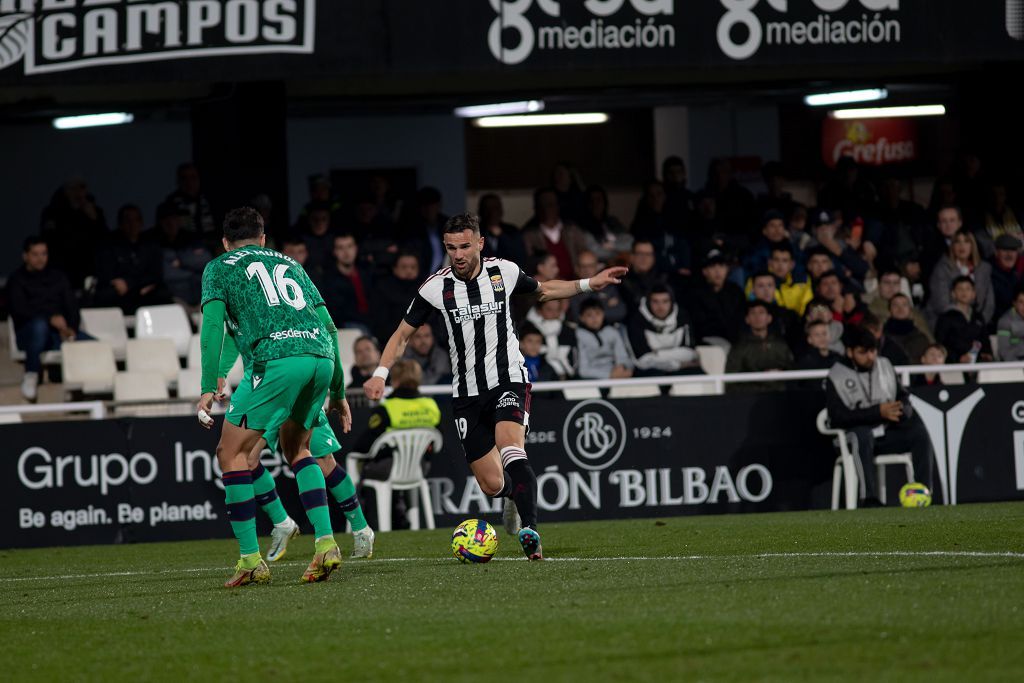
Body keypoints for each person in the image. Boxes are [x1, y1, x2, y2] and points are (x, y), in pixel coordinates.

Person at [363, 212, 628, 560]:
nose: (457, 254)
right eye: (450, 247)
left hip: (509, 379)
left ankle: (531, 530)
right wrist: (380, 374)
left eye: (464, 246)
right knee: (491, 484)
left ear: (480, 244)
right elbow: (401, 336)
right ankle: (510, 499)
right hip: (466, 394)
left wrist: (588, 284)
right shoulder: (434, 287)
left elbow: (544, 290)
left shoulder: (504, 271)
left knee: (510, 445)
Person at [196, 206, 349, 587]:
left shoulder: (219, 266)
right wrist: (339, 389)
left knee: (230, 453)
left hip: (276, 360)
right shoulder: (291, 263)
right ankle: (326, 543)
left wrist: (205, 385)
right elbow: (329, 327)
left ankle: (250, 558)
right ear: (264, 238)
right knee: (298, 449)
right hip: (320, 359)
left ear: (225, 242)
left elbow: (214, 325)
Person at [214, 320, 374, 562]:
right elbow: (233, 336)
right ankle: (284, 523)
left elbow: (327, 327)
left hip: (294, 379)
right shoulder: (244, 298)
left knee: (322, 459)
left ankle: (361, 530)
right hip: (263, 388)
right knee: (244, 456)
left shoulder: (275, 296)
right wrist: (220, 374)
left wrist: (337, 390)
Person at [825, 327, 934, 506]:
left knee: (919, 433)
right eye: (863, 352)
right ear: (850, 352)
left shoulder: (884, 365)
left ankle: (924, 493)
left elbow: (902, 396)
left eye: (873, 351)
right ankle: (868, 498)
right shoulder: (836, 375)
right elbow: (837, 417)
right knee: (862, 435)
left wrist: (902, 409)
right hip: (851, 439)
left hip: (885, 433)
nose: (870, 357)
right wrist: (877, 412)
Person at [350, 359, 442, 529]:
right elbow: (436, 442)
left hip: (389, 470)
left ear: (396, 379)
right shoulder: (431, 405)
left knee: (359, 462)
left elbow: (364, 446)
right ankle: (401, 514)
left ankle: (368, 522)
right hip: (419, 468)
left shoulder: (387, 407)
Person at [6, 237, 92, 401]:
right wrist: (48, 318)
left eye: (44, 254)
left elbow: (72, 306)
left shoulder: (58, 277)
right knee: (39, 326)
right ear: (25, 256)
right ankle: (31, 374)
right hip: (30, 335)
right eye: (35, 254)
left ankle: (93, 385)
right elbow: (19, 310)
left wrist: (70, 328)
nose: (40, 259)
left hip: (58, 333)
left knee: (94, 345)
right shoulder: (17, 280)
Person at [94, 205, 171, 313]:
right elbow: (107, 273)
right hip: (120, 292)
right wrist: (125, 283)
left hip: (143, 290)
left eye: (136, 220)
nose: (132, 224)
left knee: (162, 293)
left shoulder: (150, 245)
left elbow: (155, 274)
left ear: (141, 222)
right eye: (127, 220)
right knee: (105, 294)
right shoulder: (109, 245)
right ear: (120, 224)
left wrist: (131, 283)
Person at [39, 177, 109, 289]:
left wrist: (94, 219)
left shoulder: (95, 211)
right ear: (66, 191)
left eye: (82, 188)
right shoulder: (53, 212)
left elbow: (105, 239)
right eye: (73, 189)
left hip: (90, 267)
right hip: (63, 268)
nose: (78, 193)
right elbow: (49, 240)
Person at [144, 201, 211, 308]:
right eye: (166, 220)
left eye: (174, 218)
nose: (170, 223)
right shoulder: (153, 244)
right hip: (175, 299)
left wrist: (181, 261)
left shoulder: (191, 238)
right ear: (160, 223)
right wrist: (192, 269)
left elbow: (206, 261)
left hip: (201, 296)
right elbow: (167, 274)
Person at [927, 229, 995, 326]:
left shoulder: (984, 269)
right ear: (952, 246)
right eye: (957, 242)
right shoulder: (942, 269)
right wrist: (962, 324)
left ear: (972, 245)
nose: (962, 246)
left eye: (966, 241)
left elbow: (989, 305)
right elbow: (941, 304)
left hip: (977, 323)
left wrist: (978, 323)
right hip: (947, 322)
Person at [627, 284, 699, 375]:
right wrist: (677, 364)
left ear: (671, 302)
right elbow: (643, 360)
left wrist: (657, 354)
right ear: (649, 302)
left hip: (681, 370)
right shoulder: (637, 320)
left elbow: (690, 353)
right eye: (655, 302)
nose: (660, 307)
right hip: (652, 371)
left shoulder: (682, 316)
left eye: (665, 301)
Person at [725, 301, 794, 390]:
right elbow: (731, 381)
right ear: (747, 319)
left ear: (769, 318)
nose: (757, 317)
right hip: (753, 397)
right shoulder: (739, 347)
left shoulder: (780, 344)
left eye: (761, 312)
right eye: (753, 313)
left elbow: (792, 370)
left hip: (781, 394)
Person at [522, 187, 586, 280]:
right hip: (549, 287)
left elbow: (585, 256)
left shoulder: (572, 230)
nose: (547, 208)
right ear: (537, 208)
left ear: (558, 205)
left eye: (551, 204)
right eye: (543, 205)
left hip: (576, 283)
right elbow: (531, 267)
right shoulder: (529, 235)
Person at [687, 249, 746, 344]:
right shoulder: (695, 293)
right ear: (705, 271)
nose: (717, 271)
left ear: (727, 269)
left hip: (735, 342)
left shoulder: (736, 291)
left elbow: (741, 320)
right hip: (705, 342)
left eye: (721, 266)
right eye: (712, 266)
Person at [934, 276, 994, 364]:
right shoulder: (946, 317)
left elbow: (985, 339)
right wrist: (958, 358)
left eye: (968, 289)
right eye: (960, 289)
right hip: (954, 364)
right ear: (953, 294)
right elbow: (940, 344)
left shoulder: (978, 317)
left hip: (978, 362)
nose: (964, 292)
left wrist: (987, 354)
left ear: (974, 294)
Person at [321, 234, 373, 333]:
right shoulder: (329, 279)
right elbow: (337, 314)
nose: (346, 252)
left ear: (356, 248)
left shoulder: (366, 272)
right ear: (334, 252)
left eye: (349, 246)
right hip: (347, 327)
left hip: (371, 322)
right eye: (340, 248)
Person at [576, 298, 633, 380]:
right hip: (592, 377)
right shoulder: (578, 336)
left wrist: (622, 367)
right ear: (581, 318)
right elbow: (583, 370)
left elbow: (623, 356)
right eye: (589, 315)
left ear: (603, 314)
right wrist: (609, 375)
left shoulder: (612, 332)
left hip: (617, 373)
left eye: (598, 314)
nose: (594, 318)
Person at [370, 252, 420, 344]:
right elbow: (380, 324)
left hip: (421, 339)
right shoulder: (383, 289)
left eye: (413, 267)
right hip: (392, 340)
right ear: (395, 269)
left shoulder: (425, 288)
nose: (409, 271)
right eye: (404, 267)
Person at [165, 162, 217, 248]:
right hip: (183, 249)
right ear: (178, 181)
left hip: (210, 247)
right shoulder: (171, 203)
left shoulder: (209, 200)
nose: (189, 182)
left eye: (193, 177)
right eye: (184, 178)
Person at [568, 250, 627, 324]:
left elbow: (620, 312)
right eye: (583, 266)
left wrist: (590, 315)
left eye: (590, 266)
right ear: (577, 269)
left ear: (597, 267)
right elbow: (577, 317)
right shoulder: (572, 290)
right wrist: (605, 307)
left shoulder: (608, 286)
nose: (587, 270)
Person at [525, 299, 577, 378]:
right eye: (549, 309)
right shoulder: (528, 331)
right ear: (539, 311)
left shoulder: (569, 331)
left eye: (558, 309)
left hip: (568, 377)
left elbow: (574, 357)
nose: (554, 313)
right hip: (538, 378)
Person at [579, 185, 632, 262]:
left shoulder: (612, 221)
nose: (595, 204)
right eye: (591, 200)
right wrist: (621, 252)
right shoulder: (582, 227)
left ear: (604, 202)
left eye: (598, 200)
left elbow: (630, 242)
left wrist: (612, 246)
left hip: (622, 263)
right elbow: (596, 252)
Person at [478, 193, 527, 264]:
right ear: (480, 211)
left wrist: (502, 236)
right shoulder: (474, 232)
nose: (492, 212)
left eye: (495, 208)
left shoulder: (512, 231)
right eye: (487, 208)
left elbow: (519, 257)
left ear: (501, 210)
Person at [884, 294, 933, 365]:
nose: (900, 308)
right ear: (889, 309)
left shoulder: (920, 338)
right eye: (895, 305)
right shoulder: (882, 337)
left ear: (910, 309)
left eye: (904, 305)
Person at [620, 239, 669, 307]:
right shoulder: (621, 281)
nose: (644, 258)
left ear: (654, 257)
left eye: (648, 254)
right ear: (632, 257)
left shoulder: (664, 278)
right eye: (640, 254)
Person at [989, 234, 1024, 321]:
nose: (1010, 254)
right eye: (1005, 250)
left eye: (1013, 250)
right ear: (996, 253)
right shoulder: (987, 273)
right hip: (996, 328)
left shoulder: (1016, 275)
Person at [996, 290, 1024, 361]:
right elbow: (1004, 352)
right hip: (1014, 365)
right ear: (1014, 303)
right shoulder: (1005, 321)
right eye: (1021, 302)